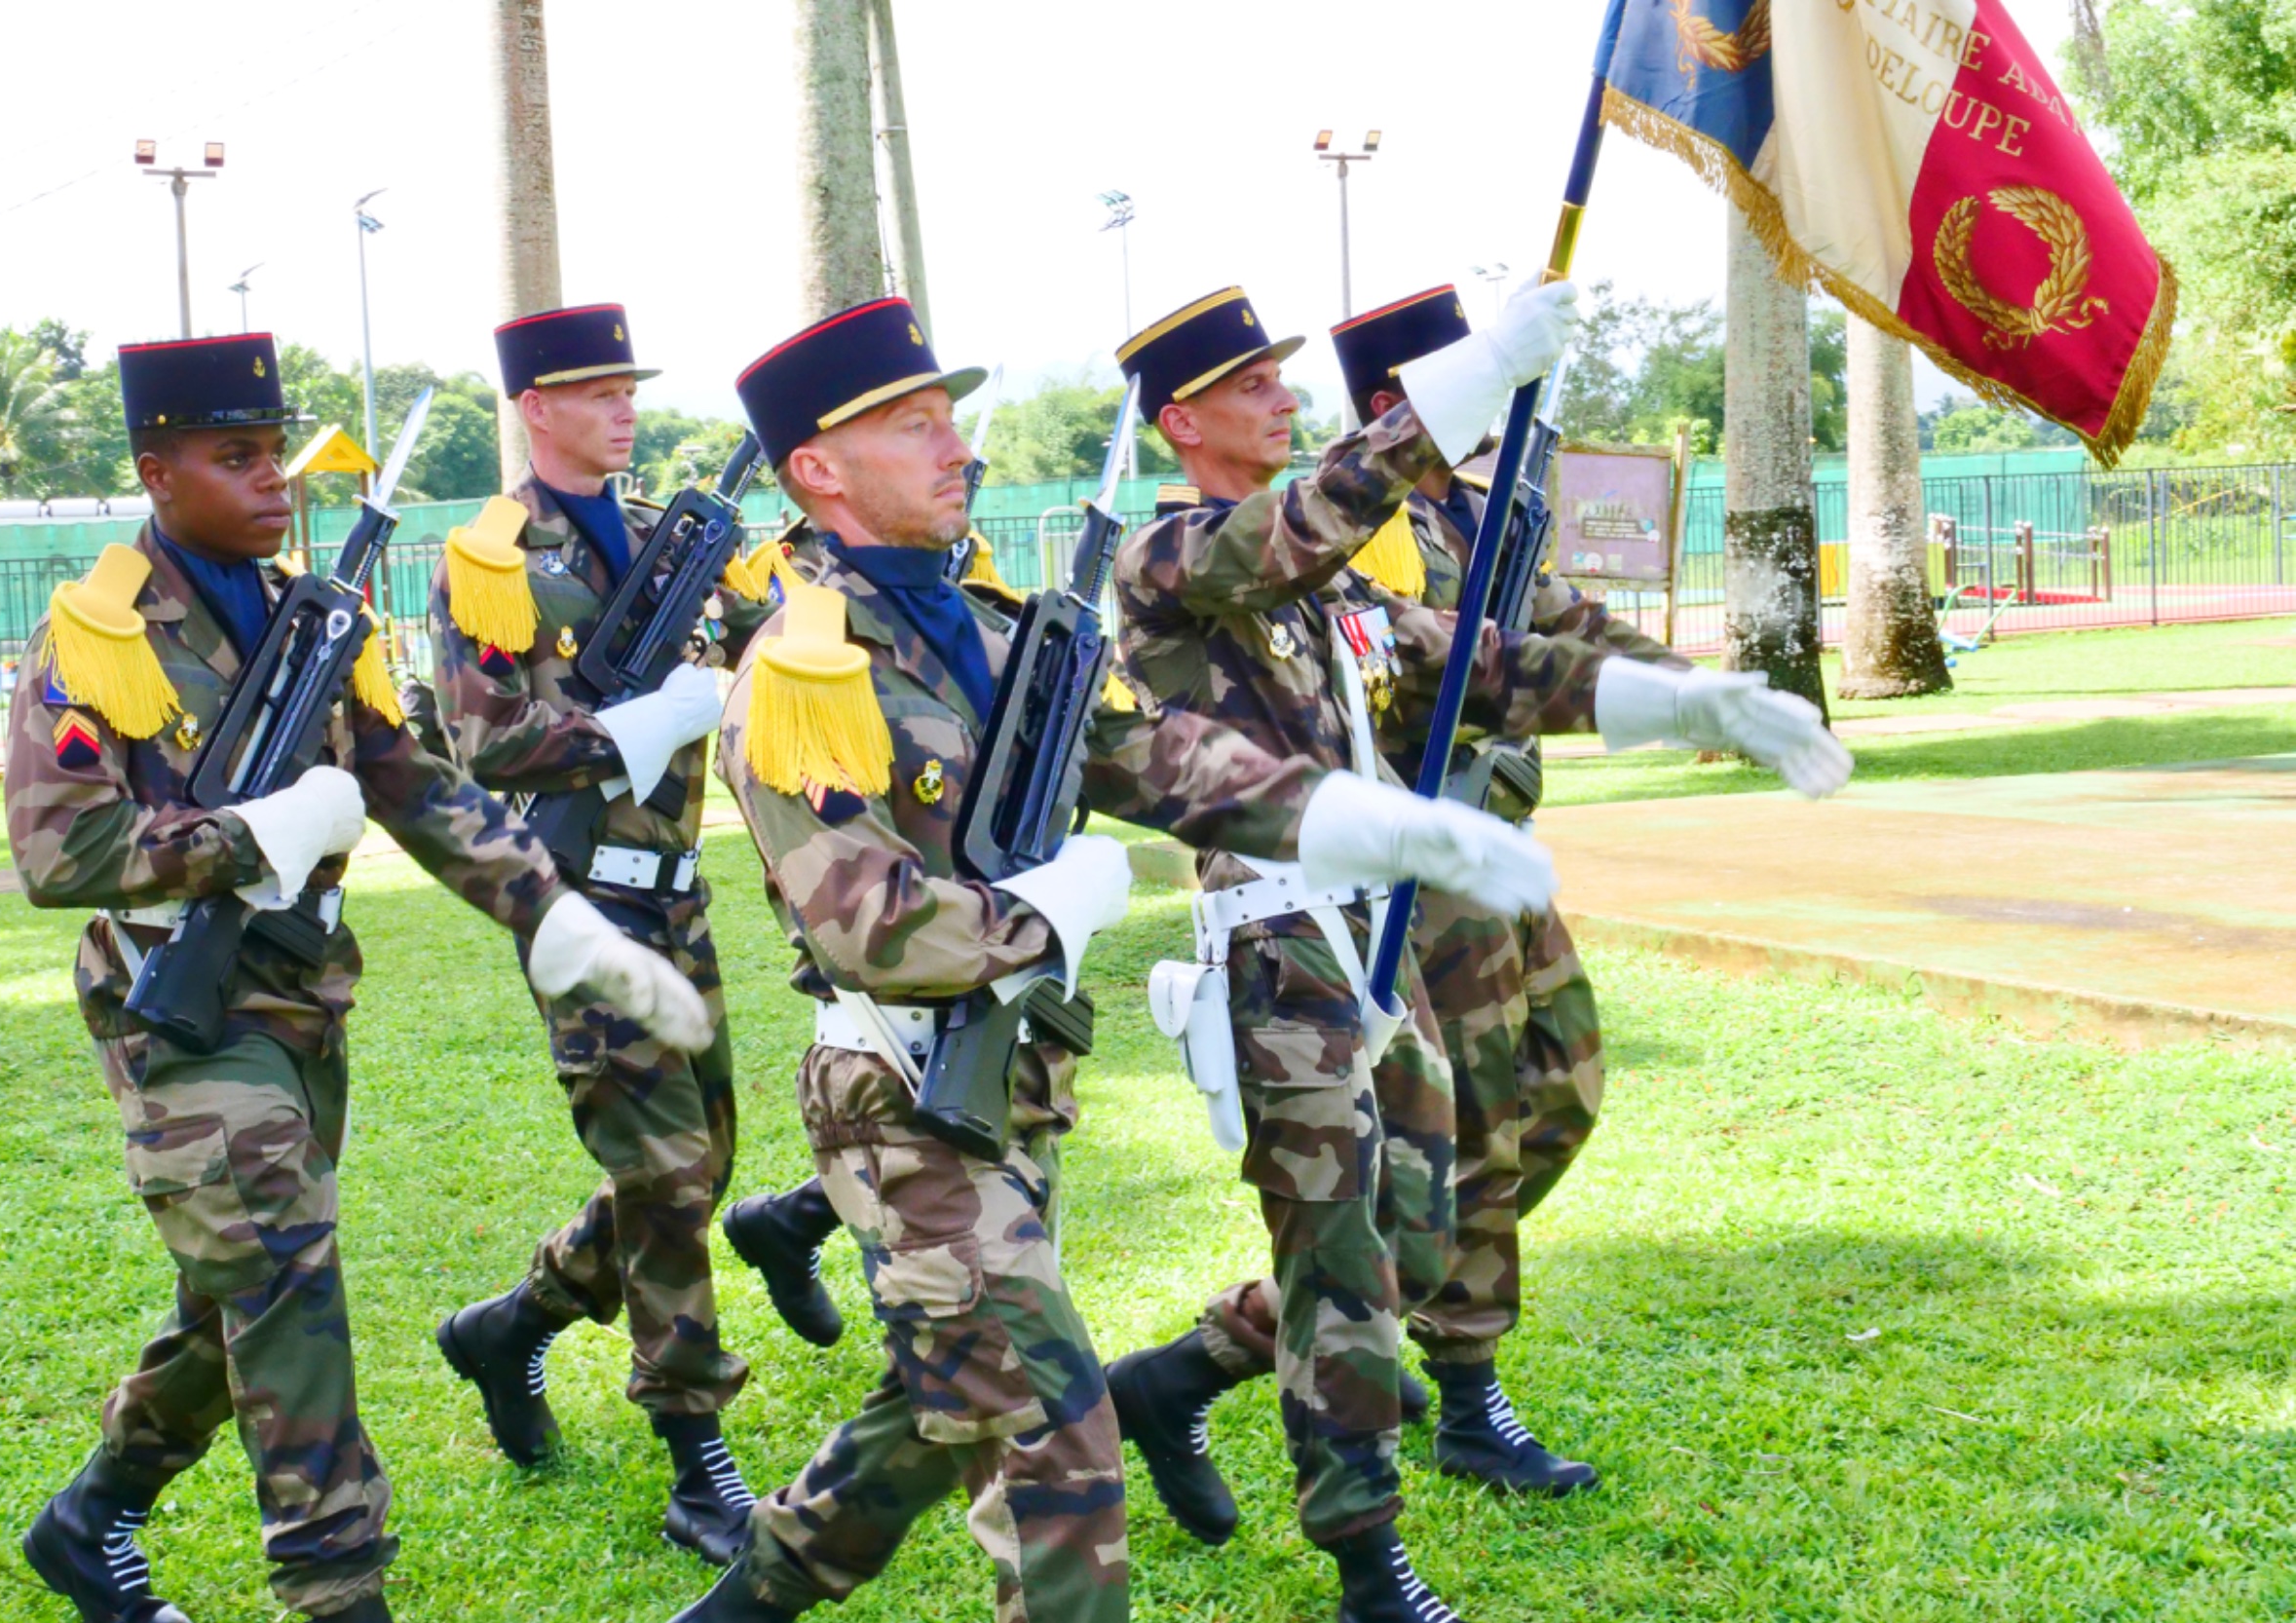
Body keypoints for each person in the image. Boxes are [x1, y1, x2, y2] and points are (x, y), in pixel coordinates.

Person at [668, 297, 1556, 1623]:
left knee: (944, 1399)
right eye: (912, 427)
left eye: (949, 418)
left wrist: (1359, 818)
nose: (956, 446)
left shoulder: (995, 628)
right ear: (817, 469)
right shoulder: (803, 670)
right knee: (1055, 1442)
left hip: (1015, 1081)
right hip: (901, 1094)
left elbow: (1168, 761)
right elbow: (869, 926)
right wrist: (1052, 912)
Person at [1101, 285, 1850, 1622]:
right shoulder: (1175, 559)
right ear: (1183, 421)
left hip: (1374, 937)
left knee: (1414, 1220)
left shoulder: (1334, 593)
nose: (1282, 396)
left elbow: (1483, 665)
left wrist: (1687, 701)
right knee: (1344, 1252)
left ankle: (1173, 1380)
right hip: (1280, 948)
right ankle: (1369, 1567)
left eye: (1281, 376)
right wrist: (1469, 381)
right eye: (1252, 383)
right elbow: (1308, 517)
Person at [8, 332, 706, 1623]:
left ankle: (94, 1513)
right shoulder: (96, 635)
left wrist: (554, 916)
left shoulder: (314, 621)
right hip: (176, 1005)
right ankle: (337, 1589)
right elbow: (62, 853)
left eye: (275, 455)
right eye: (234, 457)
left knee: (242, 1286)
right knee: (285, 1269)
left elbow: (421, 787)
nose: (271, 481)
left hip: (301, 996)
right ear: (157, 473)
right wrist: (250, 834)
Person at [424, 304, 811, 1563]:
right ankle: (699, 1461)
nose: (624, 408)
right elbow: (485, 738)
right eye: (597, 391)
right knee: (668, 1174)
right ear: (536, 407)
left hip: (677, 893)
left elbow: (778, 647)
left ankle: (512, 1326)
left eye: (629, 387)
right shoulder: (493, 559)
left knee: (700, 1159)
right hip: (579, 900)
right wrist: (637, 727)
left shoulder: (670, 536)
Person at [1323, 283, 1708, 1494]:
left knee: (1563, 1085)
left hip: (1497, 846)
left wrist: (1690, 691)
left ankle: (1360, 1289)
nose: (1494, 387)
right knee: (1479, 1123)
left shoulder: (1479, 510)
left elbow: (1566, 619)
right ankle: (1465, 1395)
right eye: (1470, 369)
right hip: (1422, 863)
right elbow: (1424, 672)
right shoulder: (1359, 528)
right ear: (1393, 401)